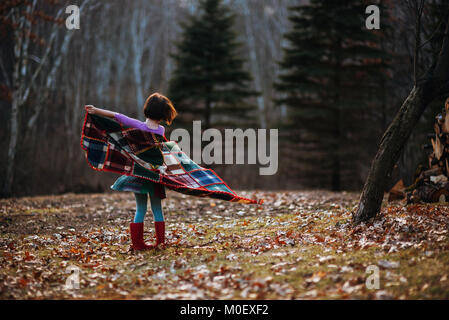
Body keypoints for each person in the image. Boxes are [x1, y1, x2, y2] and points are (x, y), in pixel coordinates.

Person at [84, 93, 177, 250]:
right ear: (162, 114)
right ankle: (160, 243)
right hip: (154, 176)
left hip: (139, 176)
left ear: (147, 109)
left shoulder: (136, 126)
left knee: (140, 209)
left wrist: (95, 111)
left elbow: (116, 116)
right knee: (157, 209)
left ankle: (138, 244)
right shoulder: (160, 131)